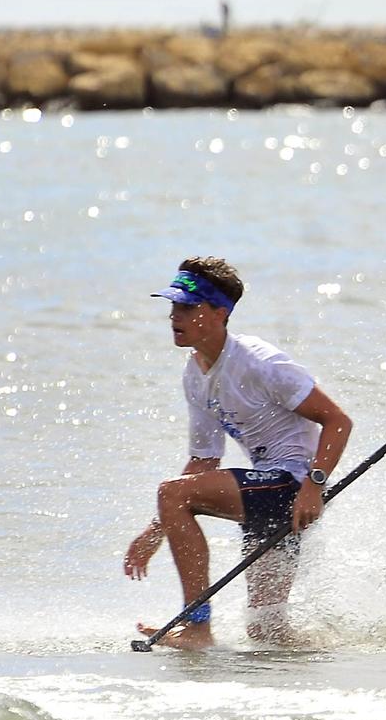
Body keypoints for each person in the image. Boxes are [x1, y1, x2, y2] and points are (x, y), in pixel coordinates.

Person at [123, 257, 353, 649]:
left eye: (187, 307)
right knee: (267, 633)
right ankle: (341, 659)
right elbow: (203, 463)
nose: (174, 316)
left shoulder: (260, 363)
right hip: (265, 492)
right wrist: (157, 527)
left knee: (171, 492)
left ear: (219, 313)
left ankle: (197, 627)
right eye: (173, 307)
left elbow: (337, 421)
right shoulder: (195, 375)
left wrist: (314, 487)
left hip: (294, 487)